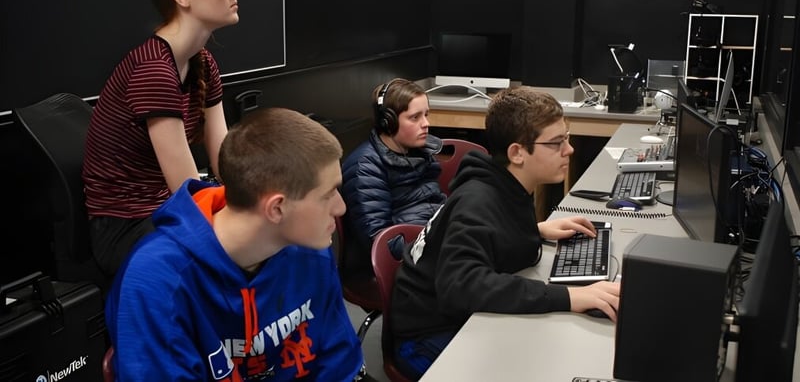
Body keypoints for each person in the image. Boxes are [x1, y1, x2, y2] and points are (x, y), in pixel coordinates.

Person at [105, 107, 370, 381]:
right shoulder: (155, 282)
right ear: (277, 208)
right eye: (328, 194)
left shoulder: (310, 249)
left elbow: (339, 363)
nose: (340, 208)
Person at [390, 86, 621, 379]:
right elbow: (462, 285)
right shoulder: (478, 201)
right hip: (426, 338)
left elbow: (488, 235)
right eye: (557, 142)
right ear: (518, 153)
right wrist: (570, 297)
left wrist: (534, 231)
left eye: (567, 138)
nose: (569, 150)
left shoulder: (504, 183)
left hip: (457, 317)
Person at [82, 0, 241, 276]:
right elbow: (186, 190)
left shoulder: (203, 63)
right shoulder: (154, 70)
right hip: (126, 227)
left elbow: (224, 159)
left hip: (162, 209)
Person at [341, 78, 446, 264]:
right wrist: (434, 248)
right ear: (388, 122)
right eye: (415, 117)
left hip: (430, 239)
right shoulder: (365, 168)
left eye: (426, 115)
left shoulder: (418, 151)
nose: (426, 123)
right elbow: (380, 242)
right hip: (404, 261)